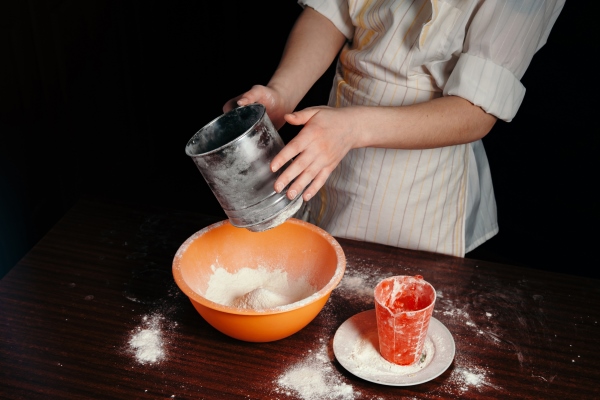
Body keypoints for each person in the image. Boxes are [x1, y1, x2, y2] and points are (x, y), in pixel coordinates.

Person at [223, 0, 565, 257]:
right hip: (332, 147)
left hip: (416, 194)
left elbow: (475, 112)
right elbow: (333, 12)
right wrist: (283, 92)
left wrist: (352, 129)